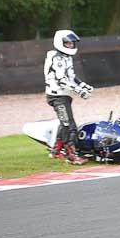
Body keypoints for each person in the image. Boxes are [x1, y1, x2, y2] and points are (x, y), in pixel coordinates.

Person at [44, 29, 94, 165]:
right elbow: (62, 80)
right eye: (68, 43)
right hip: (56, 96)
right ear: (60, 43)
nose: (71, 45)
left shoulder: (67, 57)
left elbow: (71, 76)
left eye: (72, 43)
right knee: (69, 125)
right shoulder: (56, 58)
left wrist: (83, 85)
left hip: (64, 95)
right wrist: (79, 91)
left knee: (64, 123)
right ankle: (70, 155)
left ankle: (56, 150)